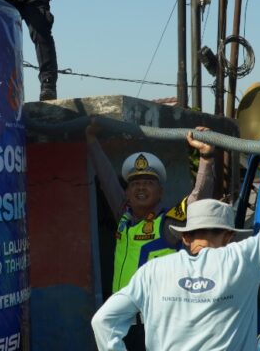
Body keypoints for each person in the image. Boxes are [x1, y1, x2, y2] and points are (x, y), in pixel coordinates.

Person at [91, 134, 260, 351]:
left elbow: (103, 321)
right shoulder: (242, 260)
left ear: (185, 236)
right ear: (229, 236)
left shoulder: (152, 272)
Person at [86, 120, 216, 350]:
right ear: (127, 191)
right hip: (124, 322)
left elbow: (198, 199)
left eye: (148, 183)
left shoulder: (167, 223)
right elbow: (107, 180)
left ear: (160, 192)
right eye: (135, 183)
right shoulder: (124, 217)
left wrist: (206, 159)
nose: (141, 188)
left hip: (157, 324)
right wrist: (92, 141)